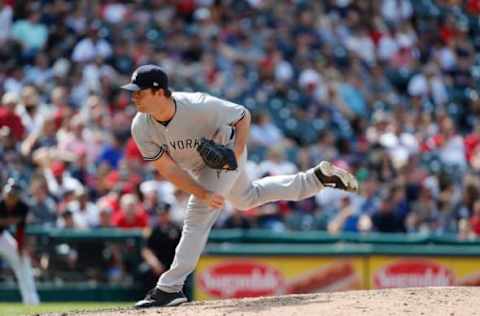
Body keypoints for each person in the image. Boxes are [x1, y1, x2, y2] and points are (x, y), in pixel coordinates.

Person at [122, 64, 359, 308]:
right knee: (247, 198)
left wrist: (234, 155)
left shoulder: (196, 105)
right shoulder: (141, 126)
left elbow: (243, 115)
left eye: (139, 92)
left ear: (159, 92)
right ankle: (317, 179)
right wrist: (202, 191)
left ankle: (170, 288)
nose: (134, 97)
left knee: (197, 214)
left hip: (225, 149)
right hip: (198, 167)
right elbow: (168, 168)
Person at [0, 178, 40, 305]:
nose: (10, 197)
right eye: (9, 194)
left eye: (13, 195)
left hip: (2, 237)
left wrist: (20, 246)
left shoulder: (22, 207)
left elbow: (20, 230)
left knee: (23, 260)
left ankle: (31, 299)